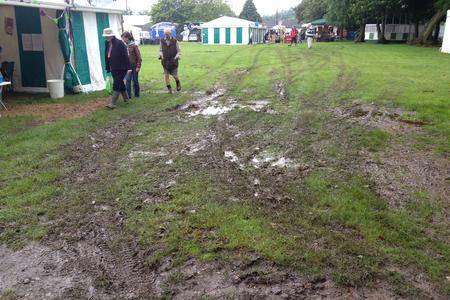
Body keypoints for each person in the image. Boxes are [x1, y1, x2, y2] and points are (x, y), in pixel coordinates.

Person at [103, 28, 131, 109]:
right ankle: (126, 99)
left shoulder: (120, 43)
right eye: (106, 36)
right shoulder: (107, 43)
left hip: (122, 67)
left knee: (117, 83)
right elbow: (107, 55)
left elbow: (126, 56)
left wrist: (128, 67)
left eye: (108, 36)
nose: (106, 37)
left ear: (112, 35)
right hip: (113, 67)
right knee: (120, 83)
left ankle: (112, 103)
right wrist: (108, 66)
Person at [159, 28, 181, 94]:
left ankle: (178, 82)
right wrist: (160, 55)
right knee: (166, 75)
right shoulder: (162, 41)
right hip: (165, 61)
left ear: (170, 34)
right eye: (165, 34)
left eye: (167, 34)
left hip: (173, 61)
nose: (166, 36)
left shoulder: (175, 41)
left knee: (175, 75)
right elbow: (160, 50)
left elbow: (179, 51)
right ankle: (169, 89)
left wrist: (176, 57)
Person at [121, 31, 142, 99]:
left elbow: (139, 57)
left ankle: (137, 94)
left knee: (135, 80)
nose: (123, 40)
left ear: (127, 38)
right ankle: (128, 95)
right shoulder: (124, 46)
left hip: (134, 66)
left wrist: (138, 66)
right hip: (128, 67)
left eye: (123, 38)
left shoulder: (134, 46)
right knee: (128, 80)